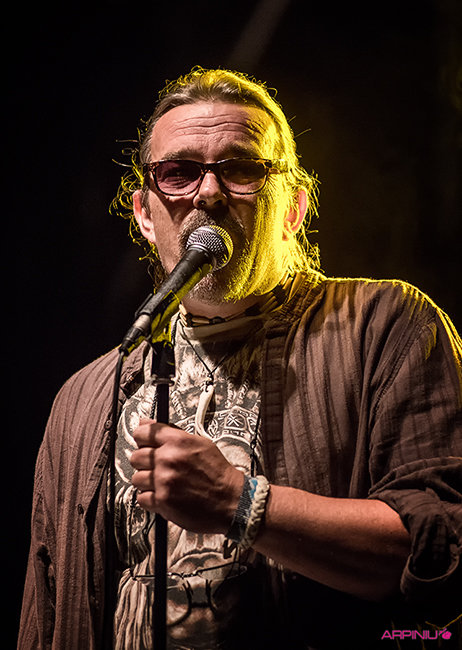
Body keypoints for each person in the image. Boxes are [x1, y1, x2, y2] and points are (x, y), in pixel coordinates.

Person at [19, 67, 461, 650]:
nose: (208, 193)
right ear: (145, 214)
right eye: (178, 173)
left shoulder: (385, 326)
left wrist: (241, 503)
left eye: (242, 169)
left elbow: (443, 549)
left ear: (294, 208)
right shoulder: (83, 398)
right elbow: (46, 611)